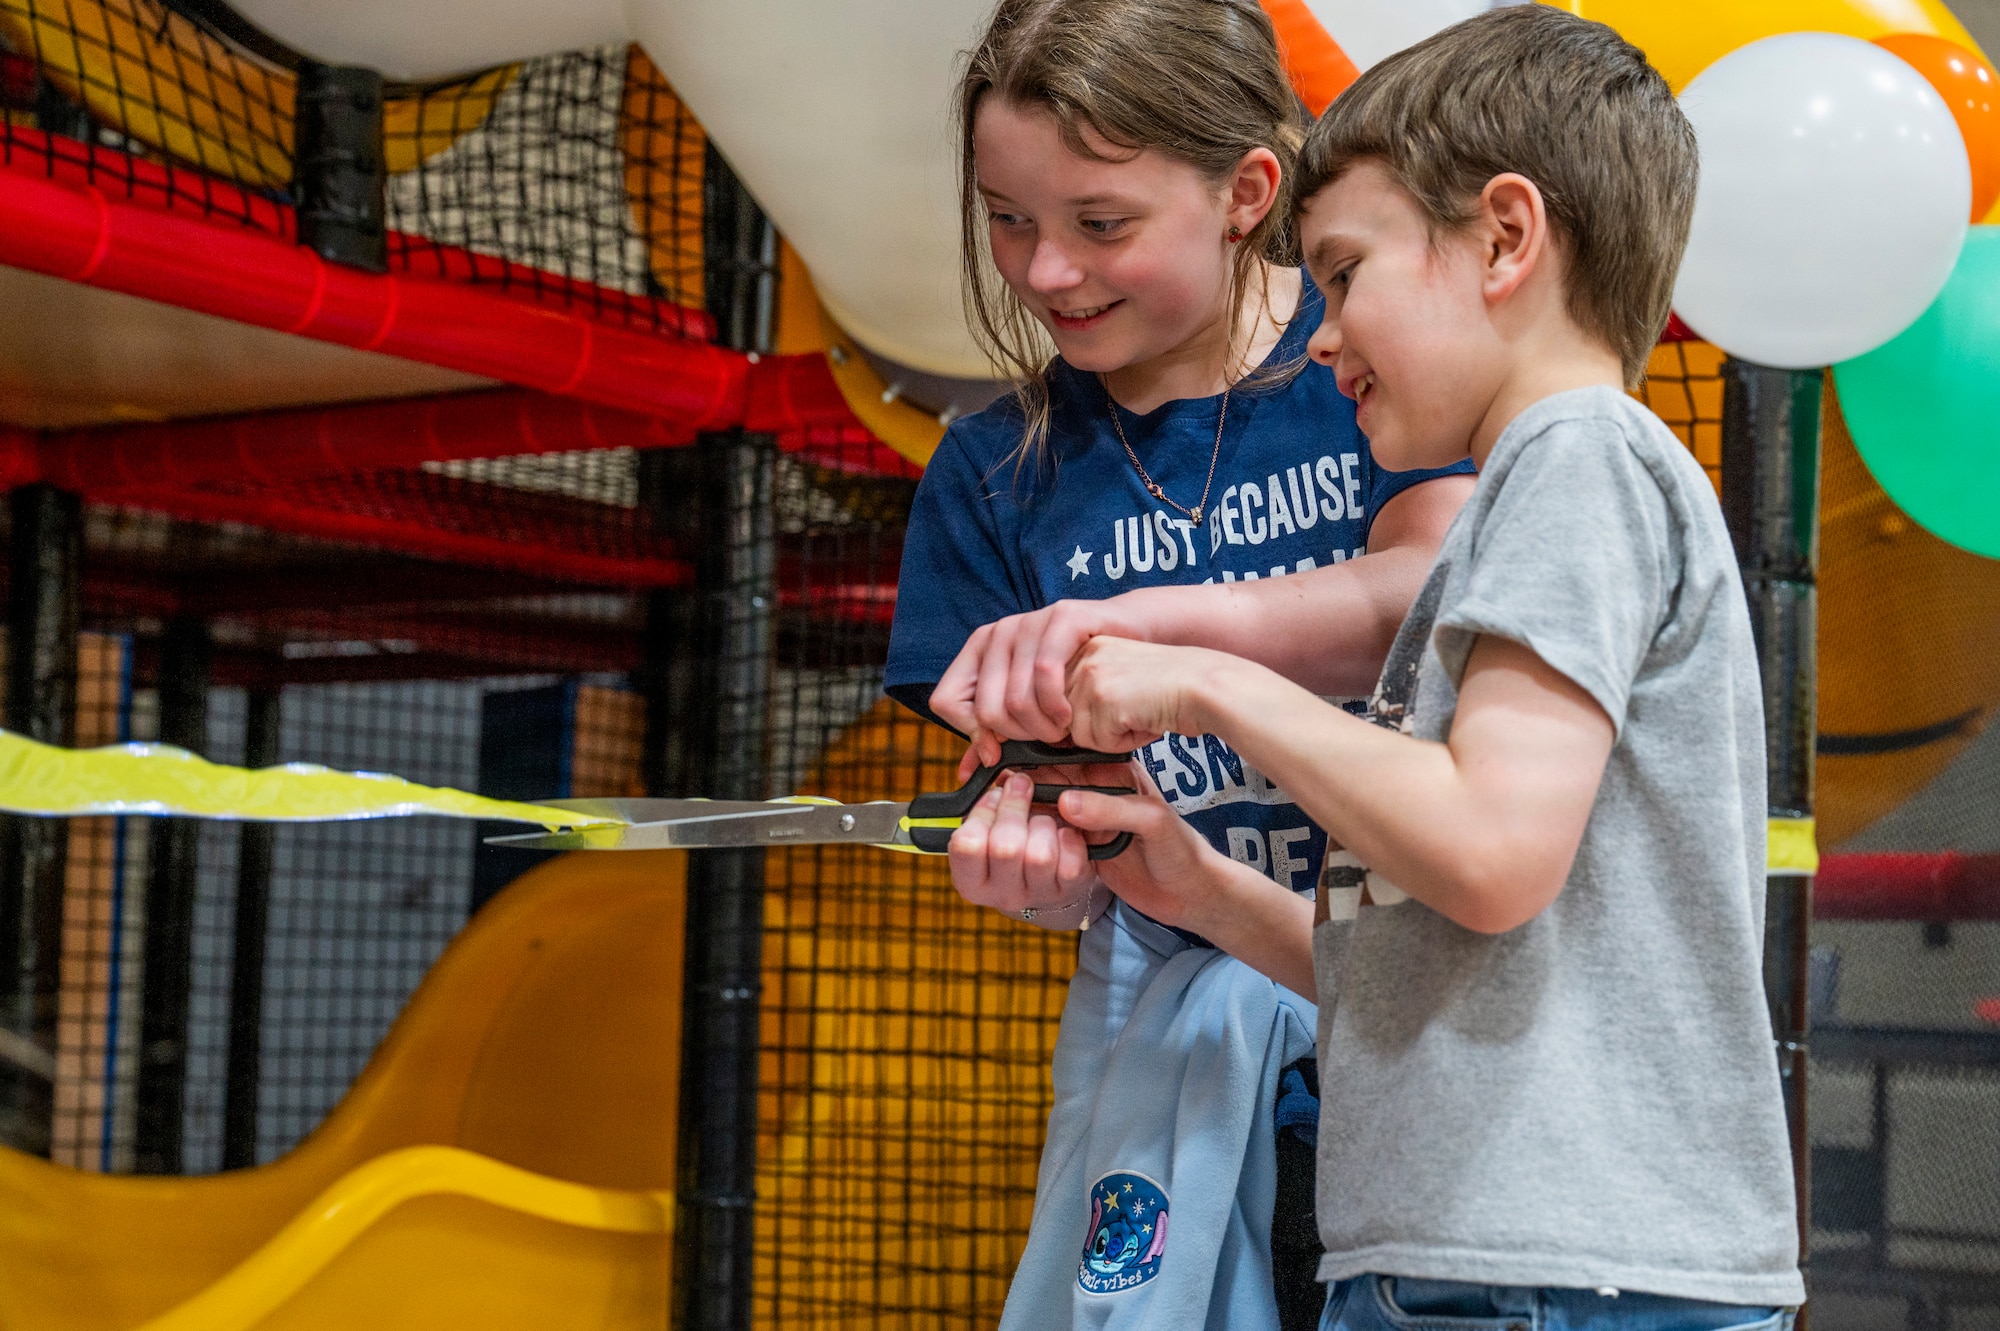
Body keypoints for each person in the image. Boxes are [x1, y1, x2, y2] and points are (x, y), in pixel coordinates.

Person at [1051, 8, 1807, 1331]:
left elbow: (1492, 853)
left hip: (1545, 1278)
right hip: (1506, 1265)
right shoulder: (1544, 491)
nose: (1323, 335)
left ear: (1506, 238)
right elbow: (1445, 950)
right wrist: (1208, 892)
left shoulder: (1577, 459)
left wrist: (1206, 681)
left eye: (1344, 274)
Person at [884, 2, 1474, 1327]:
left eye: (1101, 225)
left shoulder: (1364, 364)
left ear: (1245, 193)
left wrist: (1170, 628)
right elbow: (1042, 803)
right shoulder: (993, 475)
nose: (1044, 272)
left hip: (1431, 1044)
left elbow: (1429, 591)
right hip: (1183, 1047)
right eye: (1006, 217)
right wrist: (1037, 866)